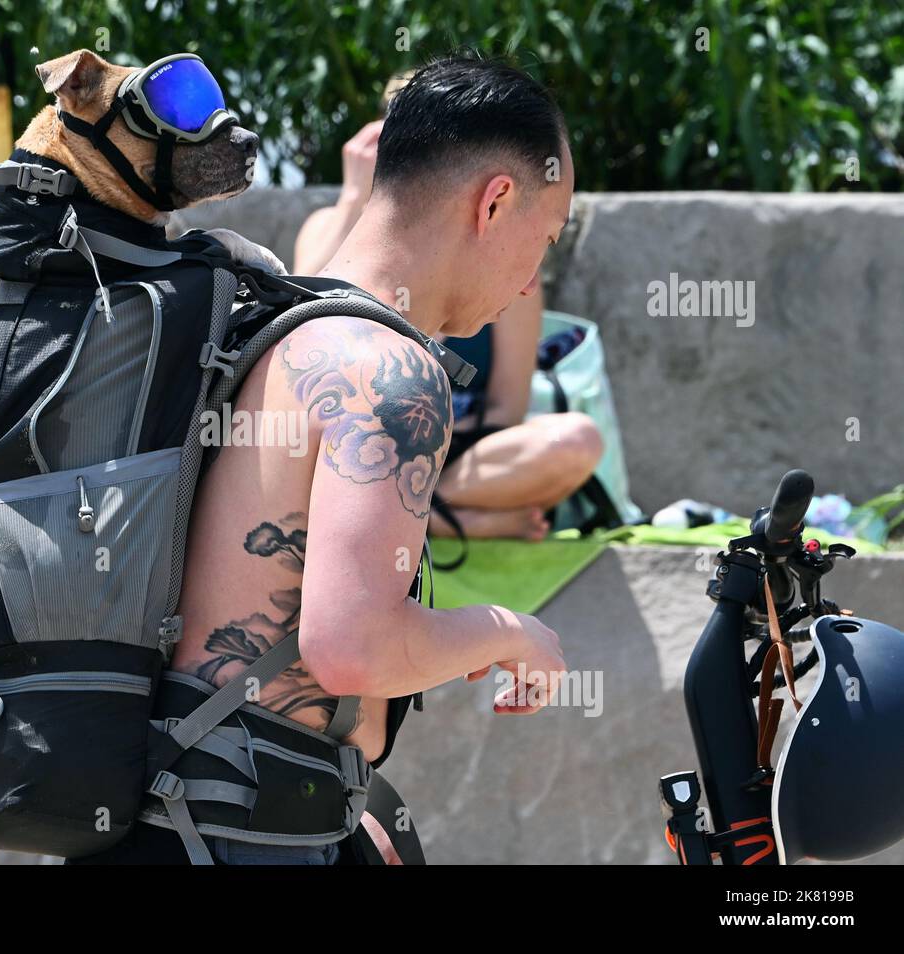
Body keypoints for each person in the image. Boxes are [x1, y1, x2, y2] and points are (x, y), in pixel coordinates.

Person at [71, 51, 571, 864]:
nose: (529, 282)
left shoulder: (262, 321)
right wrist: (507, 631)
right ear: (496, 202)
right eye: (543, 240)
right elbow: (350, 649)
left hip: (175, 809)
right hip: (239, 833)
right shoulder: (389, 370)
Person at [294, 71, 602, 542]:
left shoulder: (512, 266)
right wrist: (356, 197)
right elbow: (300, 326)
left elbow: (507, 407)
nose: (524, 284)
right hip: (349, 436)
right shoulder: (327, 226)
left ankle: (414, 507)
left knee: (576, 439)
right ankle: (437, 519)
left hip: (457, 449)